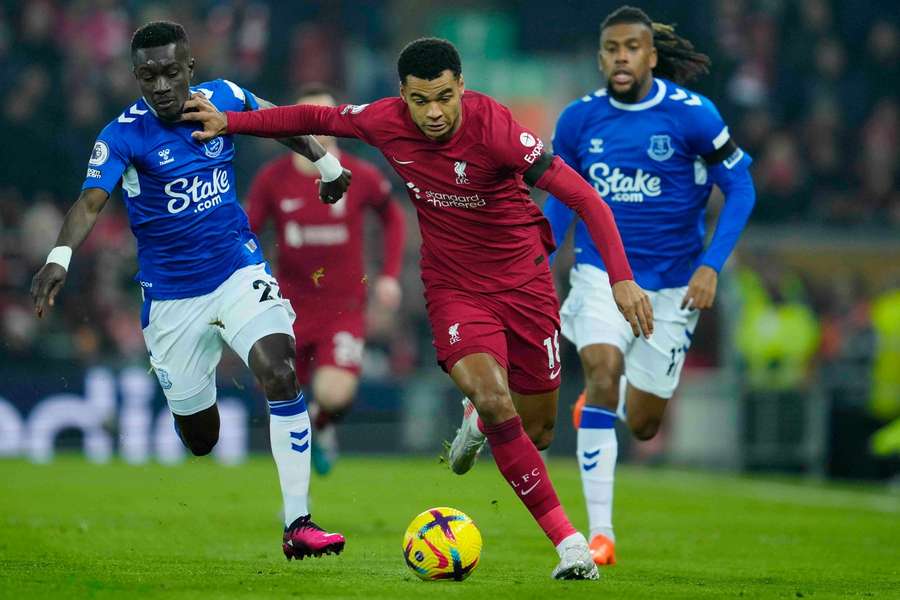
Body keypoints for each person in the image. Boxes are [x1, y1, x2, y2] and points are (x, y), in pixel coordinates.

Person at [182, 37, 654, 580]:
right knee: (497, 398)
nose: (433, 112)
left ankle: (479, 418)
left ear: (461, 88)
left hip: (525, 284)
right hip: (454, 287)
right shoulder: (385, 121)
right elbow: (314, 115)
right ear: (401, 95)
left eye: (445, 98)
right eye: (421, 100)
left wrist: (622, 280)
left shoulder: (496, 129)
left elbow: (586, 198)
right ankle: (569, 544)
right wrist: (231, 122)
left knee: (538, 430)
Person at [29, 21, 352, 562]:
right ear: (135, 76)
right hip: (173, 299)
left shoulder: (222, 98)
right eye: (148, 76)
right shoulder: (122, 135)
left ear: (190, 70)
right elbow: (89, 202)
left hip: (236, 270)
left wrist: (326, 161)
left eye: (171, 73)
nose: (161, 86)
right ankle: (188, 403)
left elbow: (277, 122)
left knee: (279, 368)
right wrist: (58, 257)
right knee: (200, 438)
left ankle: (298, 521)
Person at [542, 6, 757, 566]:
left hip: (674, 286)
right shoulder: (578, 121)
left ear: (651, 55)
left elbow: (742, 189)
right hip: (602, 276)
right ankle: (599, 535)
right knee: (603, 367)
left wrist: (712, 265)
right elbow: (562, 201)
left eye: (632, 48)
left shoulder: (694, 116)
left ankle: (600, 404)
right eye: (611, 48)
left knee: (642, 424)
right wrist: (537, 257)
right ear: (600, 55)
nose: (621, 57)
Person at [246, 84, 406, 475]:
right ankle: (296, 493)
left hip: (343, 307)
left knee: (334, 395)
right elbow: (246, 231)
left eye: (325, 118)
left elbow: (393, 218)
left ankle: (323, 424)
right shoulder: (272, 180)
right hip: (289, 308)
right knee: (281, 401)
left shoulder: (361, 175)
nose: (318, 127)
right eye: (307, 118)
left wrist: (388, 275)